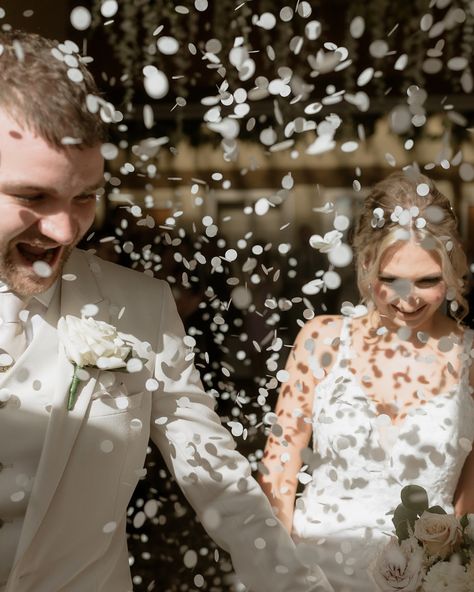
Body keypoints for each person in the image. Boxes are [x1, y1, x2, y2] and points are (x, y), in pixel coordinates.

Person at [0, 30, 334, 592]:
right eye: (33, 197)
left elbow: (216, 474)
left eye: (85, 196)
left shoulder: (140, 305)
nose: (64, 230)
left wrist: (294, 584)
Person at [259, 170, 474, 591]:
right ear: (364, 263)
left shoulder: (471, 356)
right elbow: (279, 466)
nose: (407, 299)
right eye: (390, 280)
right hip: (312, 575)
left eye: (428, 280)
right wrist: (278, 569)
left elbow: (469, 503)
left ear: (451, 269)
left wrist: (458, 571)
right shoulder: (320, 339)